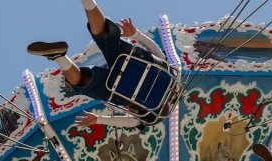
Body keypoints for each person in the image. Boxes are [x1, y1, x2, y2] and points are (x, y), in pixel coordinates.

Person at [27, 0, 174, 129]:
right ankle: (59, 57)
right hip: (120, 89)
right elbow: (129, 122)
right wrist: (99, 119)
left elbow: (156, 52)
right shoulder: (152, 115)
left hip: (132, 62)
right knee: (83, 82)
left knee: (105, 35)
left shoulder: (172, 77)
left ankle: (87, 1)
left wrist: (135, 34)